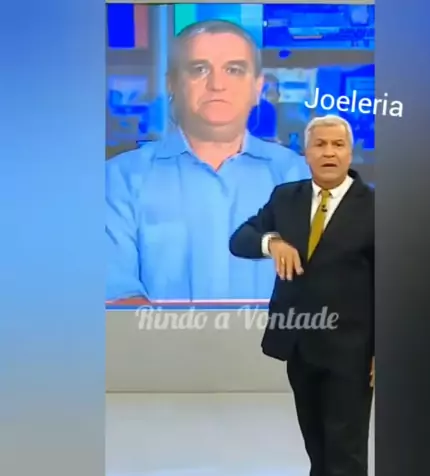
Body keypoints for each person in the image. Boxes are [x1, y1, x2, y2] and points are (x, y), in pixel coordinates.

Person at [106, 20, 309, 303]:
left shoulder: (298, 175)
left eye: (234, 70)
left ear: (257, 88)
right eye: (199, 69)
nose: (217, 85)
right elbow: (115, 292)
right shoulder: (120, 178)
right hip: (154, 334)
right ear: (172, 83)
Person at [229, 115, 374, 476]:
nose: (329, 153)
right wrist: (272, 243)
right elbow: (240, 239)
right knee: (318, 448)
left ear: (350, 153)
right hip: (300, 346)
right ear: (306, 153)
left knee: (346, 454)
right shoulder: (285, 198)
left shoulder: (375, 207)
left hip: (352, 352)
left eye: (338, 145)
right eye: (320, 145)